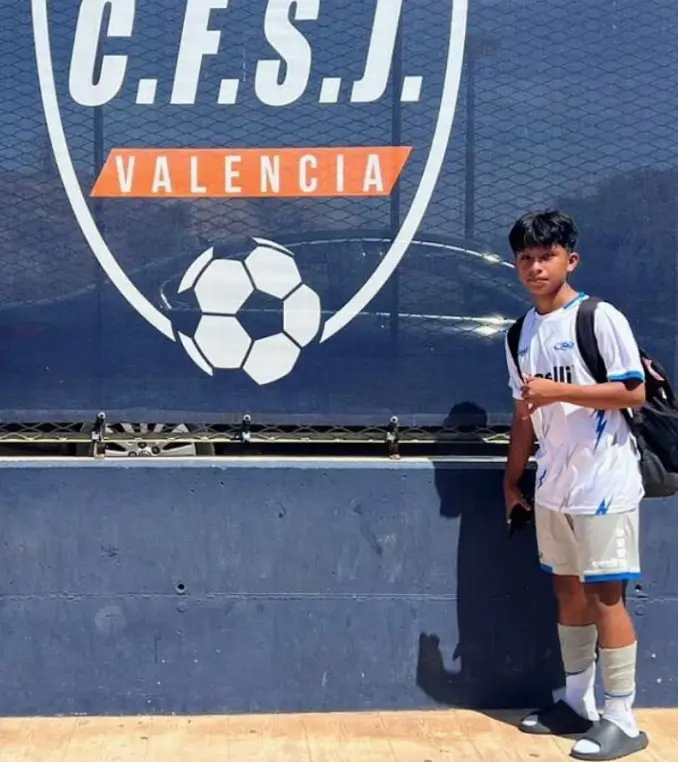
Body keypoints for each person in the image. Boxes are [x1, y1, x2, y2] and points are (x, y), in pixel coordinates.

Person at [503, 210, 649, 760]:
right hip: (553, 485)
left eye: (547, 256)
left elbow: (631, 392)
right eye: (526, 258)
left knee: (604, 596)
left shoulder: (598, 317)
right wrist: (512, 478)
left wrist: (559, 393)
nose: (536, 266)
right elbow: (524, 414)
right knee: (566, 590)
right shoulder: (519, 333)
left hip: (605, 480)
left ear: (571, 259)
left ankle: (622, 719)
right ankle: (576, 702)